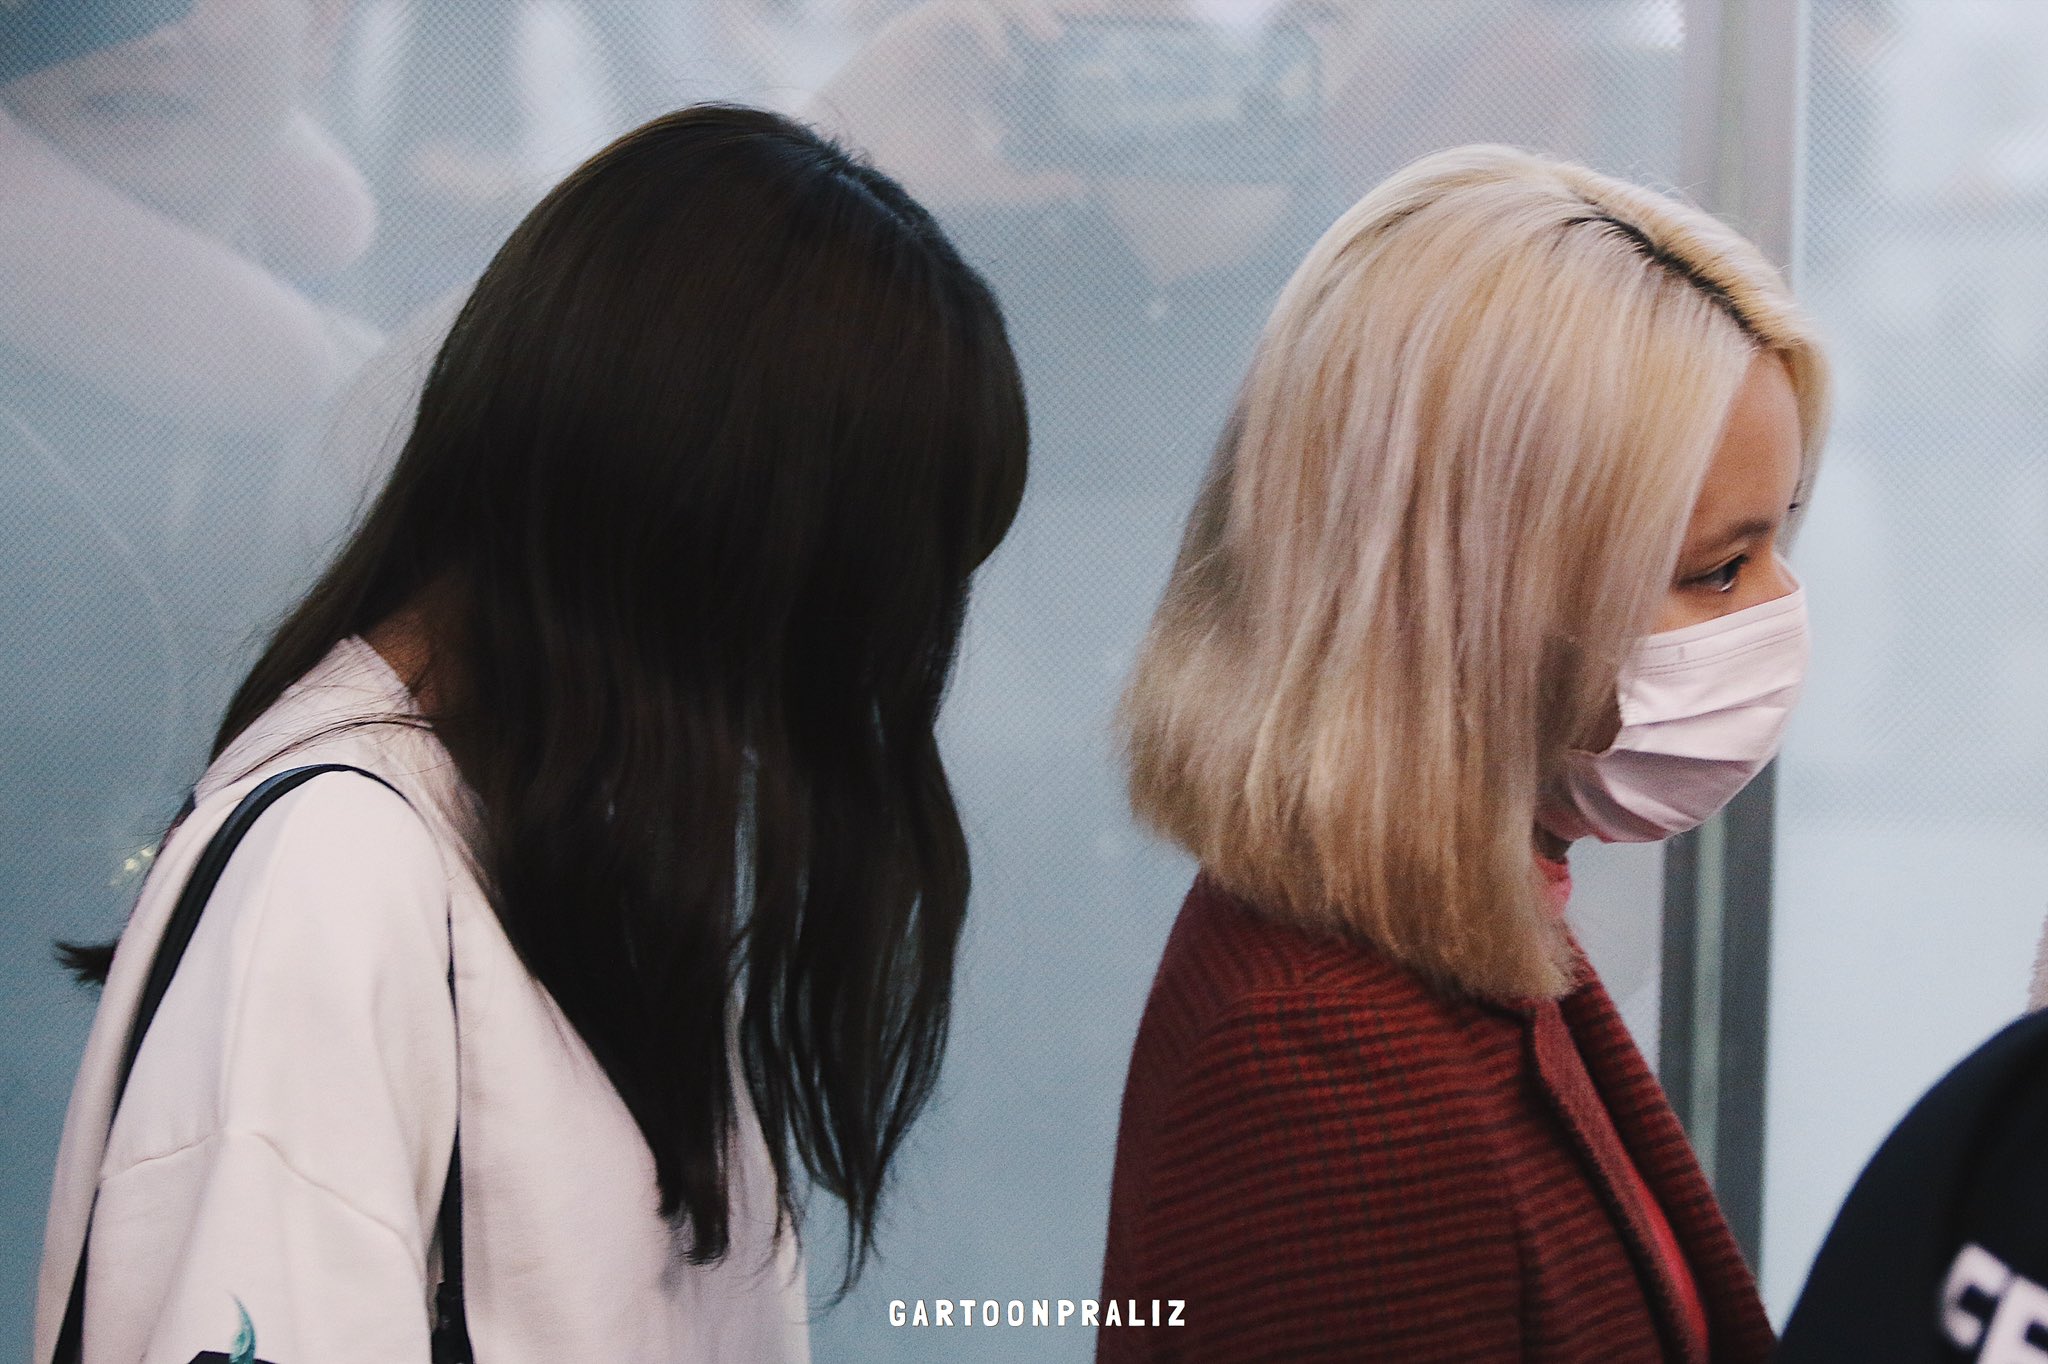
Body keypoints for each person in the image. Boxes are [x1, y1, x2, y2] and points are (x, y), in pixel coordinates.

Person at [34, 104, 1028, 1362]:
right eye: (870, 583)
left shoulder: (547, 842)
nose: (866, 663)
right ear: (713, 520)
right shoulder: (336, 870)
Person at [1099, 145, 1830, 1360]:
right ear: (1473, 591)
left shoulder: (1456, 914)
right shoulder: (1327, 1067)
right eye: (1715, 568)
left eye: (1774, 542)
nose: (1778, 607)